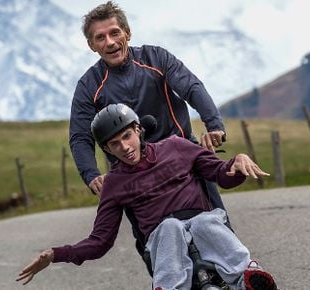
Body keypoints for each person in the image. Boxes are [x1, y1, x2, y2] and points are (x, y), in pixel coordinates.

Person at [17, 104, 277, 290]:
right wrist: (54, 254)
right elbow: (100, 242)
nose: (125, 147)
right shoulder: (114, 184)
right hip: (162, 238)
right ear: (106, 149)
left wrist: (236, 162)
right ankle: (168, 286)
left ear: (138, 130)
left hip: (202, 223)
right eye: (114, 144)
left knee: (205, 222)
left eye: (127, 136)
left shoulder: (176, 146)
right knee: (170, 227)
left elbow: (221, 174)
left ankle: (247, 275)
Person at [69, 1, 226, 197]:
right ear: (91, 45)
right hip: (132, 173)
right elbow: (80, 136)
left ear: (127, 32)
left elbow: (191, 87)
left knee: (218, 223)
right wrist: (91, 174)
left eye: (115, 33)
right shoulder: (88, 85)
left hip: (182, 156)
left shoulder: (156, 58)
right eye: (100, 37)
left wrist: (214, 125)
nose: (109, 42)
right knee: (149, 228)